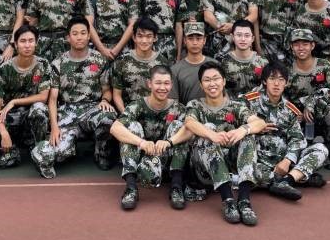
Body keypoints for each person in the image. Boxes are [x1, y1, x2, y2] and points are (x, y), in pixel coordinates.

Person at [31, 15, 116, 178]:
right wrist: (54, 127)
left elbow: (107, 90)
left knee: (108, 117)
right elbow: (52, 99)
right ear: (68, 37)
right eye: (75, 33)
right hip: (68, 112)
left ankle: (102, 153)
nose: (79, 37)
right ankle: (56, 148)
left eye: (83, 33)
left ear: (89, 36)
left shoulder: (99, 60)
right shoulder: (58, 63)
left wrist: (105, 100)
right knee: (57, 153)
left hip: (92, 109)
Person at [184, 60, 267, 226]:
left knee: (248, 136)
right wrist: (212, 135)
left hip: (230, 168)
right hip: (203, 170)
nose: (212, 84)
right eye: (207, 80)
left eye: (216, 79)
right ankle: (228, 200)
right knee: (207, 130)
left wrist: (243, 129)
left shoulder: (236, 106)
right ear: (201, 85)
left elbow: (260, 123)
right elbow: (189, 122)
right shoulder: (195, 105)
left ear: (223, 81)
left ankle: (244, 201)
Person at [110, 64, 190, 211]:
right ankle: (131, 188)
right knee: (132, 127)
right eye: (158, 83)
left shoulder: (178, 108)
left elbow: (191, 130)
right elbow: (115, 128)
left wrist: (169, 142)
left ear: (171, 85)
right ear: (149, 84)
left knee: (180, 126)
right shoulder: (137, 105)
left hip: (166, 158)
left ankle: (176, 187)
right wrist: (141, 142)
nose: (162, 87)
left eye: (166, 83)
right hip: (143, 159)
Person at [244, 61, 329, 196]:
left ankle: (287, 181)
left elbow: (297, 138)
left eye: (281, 80)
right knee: (250, 173)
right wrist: (254, 127)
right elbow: (234, 128)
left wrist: (287, 160)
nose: (276, 84)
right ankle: (299, 178)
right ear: (264, 81)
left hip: (283, 160)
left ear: (286, 83)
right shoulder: (249, 102)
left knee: (321, 149)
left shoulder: (290, 109)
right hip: (258, 160)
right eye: (272, 79)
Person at [0, 24, 52, 168]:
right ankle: (11, 144)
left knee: (40, 109)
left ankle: (38, 147)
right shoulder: (3, 69)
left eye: (31, 41)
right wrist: (4, 133)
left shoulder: (43, 64)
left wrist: (14, 101)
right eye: (23, 41)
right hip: (8, 117)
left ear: (36, 43)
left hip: (29, 115)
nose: (27, 45)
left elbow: (43, 97)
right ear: (16, 44)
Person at [284, 27, 330, 170]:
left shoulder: (324, 65)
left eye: (305, 44)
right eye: (296, 44)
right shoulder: (286, 69)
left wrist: (312, 101)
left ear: (312, 46)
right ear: (291, 47)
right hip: (298, 116)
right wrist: (294, 112)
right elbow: (279, 97)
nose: (301, 48)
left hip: (321, 113)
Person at [112, 17, 169, 111]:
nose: (144, 41)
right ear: (134, 37)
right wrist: (126, 115)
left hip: (154, 113)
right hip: (128, 111)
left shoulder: (163, 62)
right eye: (140, 36)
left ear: (155, 38)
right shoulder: (121, 61)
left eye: (149, 36)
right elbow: (117, 95)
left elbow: (166, 93)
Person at [218, 19, 268, 97]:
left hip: (257, 102)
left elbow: (267, 89)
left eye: (247, 35)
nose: (243, 39)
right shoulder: (223, 62)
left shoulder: (262, 62)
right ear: (232, 37)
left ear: (252, 39)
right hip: (232, 103)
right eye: (239, 35)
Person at [170, 22, 217, 104]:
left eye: (198, 38)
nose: (195, 43)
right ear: (185, 40)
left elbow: (222, 96)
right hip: (186, 111)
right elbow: (173, 102)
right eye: (190, 38)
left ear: (204, 40)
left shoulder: (215, 65)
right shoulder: (175, 70)